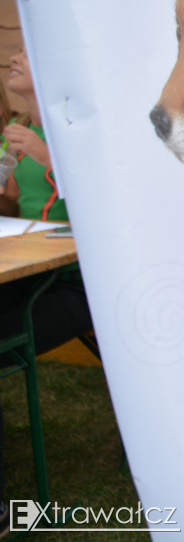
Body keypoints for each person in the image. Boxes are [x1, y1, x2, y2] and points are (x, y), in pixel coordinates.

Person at [0, 47, 93, 511]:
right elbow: (14, 210)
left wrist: (45, 154)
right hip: (27, 271)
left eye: (27, 50)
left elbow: (108, 196)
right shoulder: (21, 133)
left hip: (80, 284)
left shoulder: (77, 134)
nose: (13, 57)